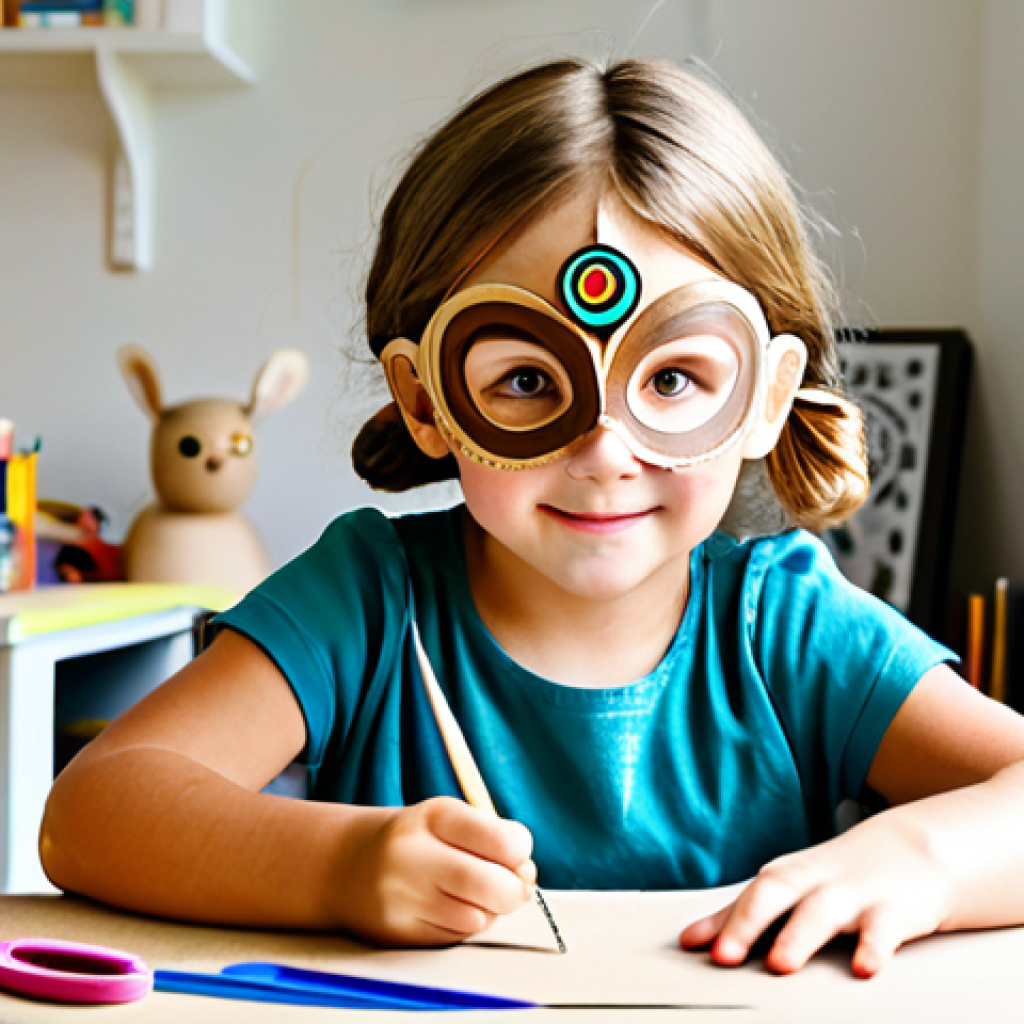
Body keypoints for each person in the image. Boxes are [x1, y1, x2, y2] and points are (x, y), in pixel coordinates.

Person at [40, 58, 1024, 979]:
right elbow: (91, 812)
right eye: (525, 379)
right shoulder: (366, 602)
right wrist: (340, 866)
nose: (604, 450)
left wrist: (923, 857)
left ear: (764, 397)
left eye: (671, 378)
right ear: (425, 399)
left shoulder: (789, 627)